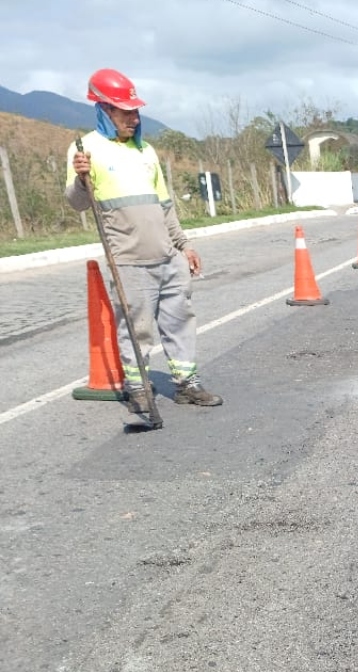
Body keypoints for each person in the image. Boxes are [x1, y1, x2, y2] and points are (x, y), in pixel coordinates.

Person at [66, 68, 222, 415]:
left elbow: (164, 206)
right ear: (104, 110)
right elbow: (77, 203)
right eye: (125, 112)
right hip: (129, 259)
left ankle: (186, 385)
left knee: (180, 320)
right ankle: (137, 389)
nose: (134, 119)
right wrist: (80, 178)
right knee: (136, 328)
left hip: (168, 257)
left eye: (135, 112)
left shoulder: (146, 151)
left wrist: (184, 246)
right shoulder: (85, 151)